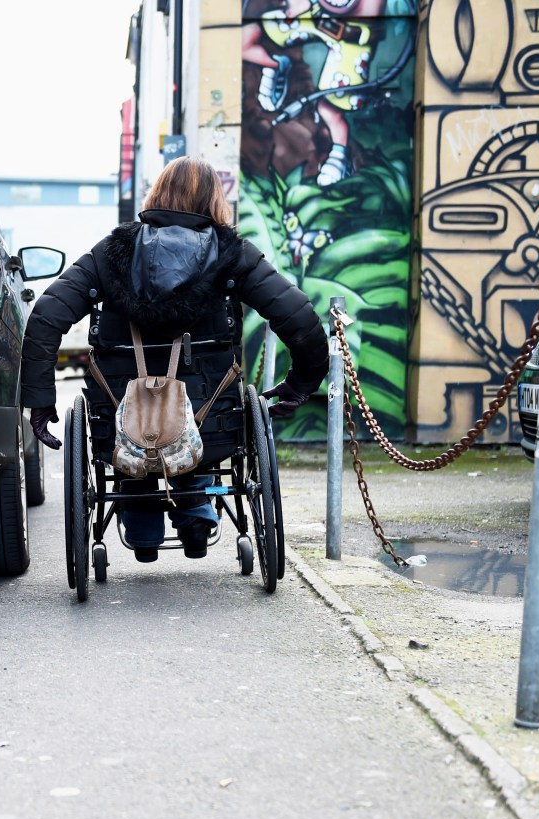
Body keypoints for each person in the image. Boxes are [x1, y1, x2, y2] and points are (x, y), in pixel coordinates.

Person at [21, 156, 328, 562]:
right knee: (204, 406)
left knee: (133, 428)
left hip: (120, 416)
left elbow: (46, 318)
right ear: (215, 201)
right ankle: (195, 514)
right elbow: (300, 319)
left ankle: (143, 526)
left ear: (158, 193)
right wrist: (302, 383)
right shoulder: (232, 254)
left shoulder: (112, 251)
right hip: (212, 419)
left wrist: (40, 398)